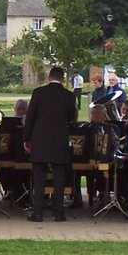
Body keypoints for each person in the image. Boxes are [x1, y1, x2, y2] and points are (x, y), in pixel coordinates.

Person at [23, 66, 78, 222]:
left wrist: (26, 139)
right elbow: (71, 118)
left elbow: (31, 118)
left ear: (49, 77)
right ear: (62, 78)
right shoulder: (69, 96)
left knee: (39, 178)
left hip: (40, 140)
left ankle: (38, 213)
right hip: (59, 141)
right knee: (59, 178)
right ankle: (59, 213)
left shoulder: (38, 93)